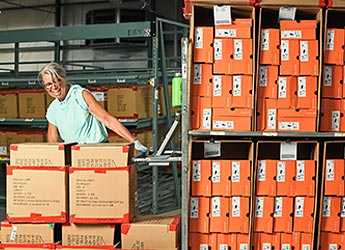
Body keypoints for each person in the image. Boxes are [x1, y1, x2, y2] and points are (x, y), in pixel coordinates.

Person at [38, 62, 147, 153]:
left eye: (57, 81)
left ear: (64, 79)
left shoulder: (80, 95)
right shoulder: (53, 109)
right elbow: (52, 139)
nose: (54, 87)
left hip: (96, 150)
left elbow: (107, 119)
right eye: (48, 84)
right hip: (74, 154)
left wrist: (133, 141)